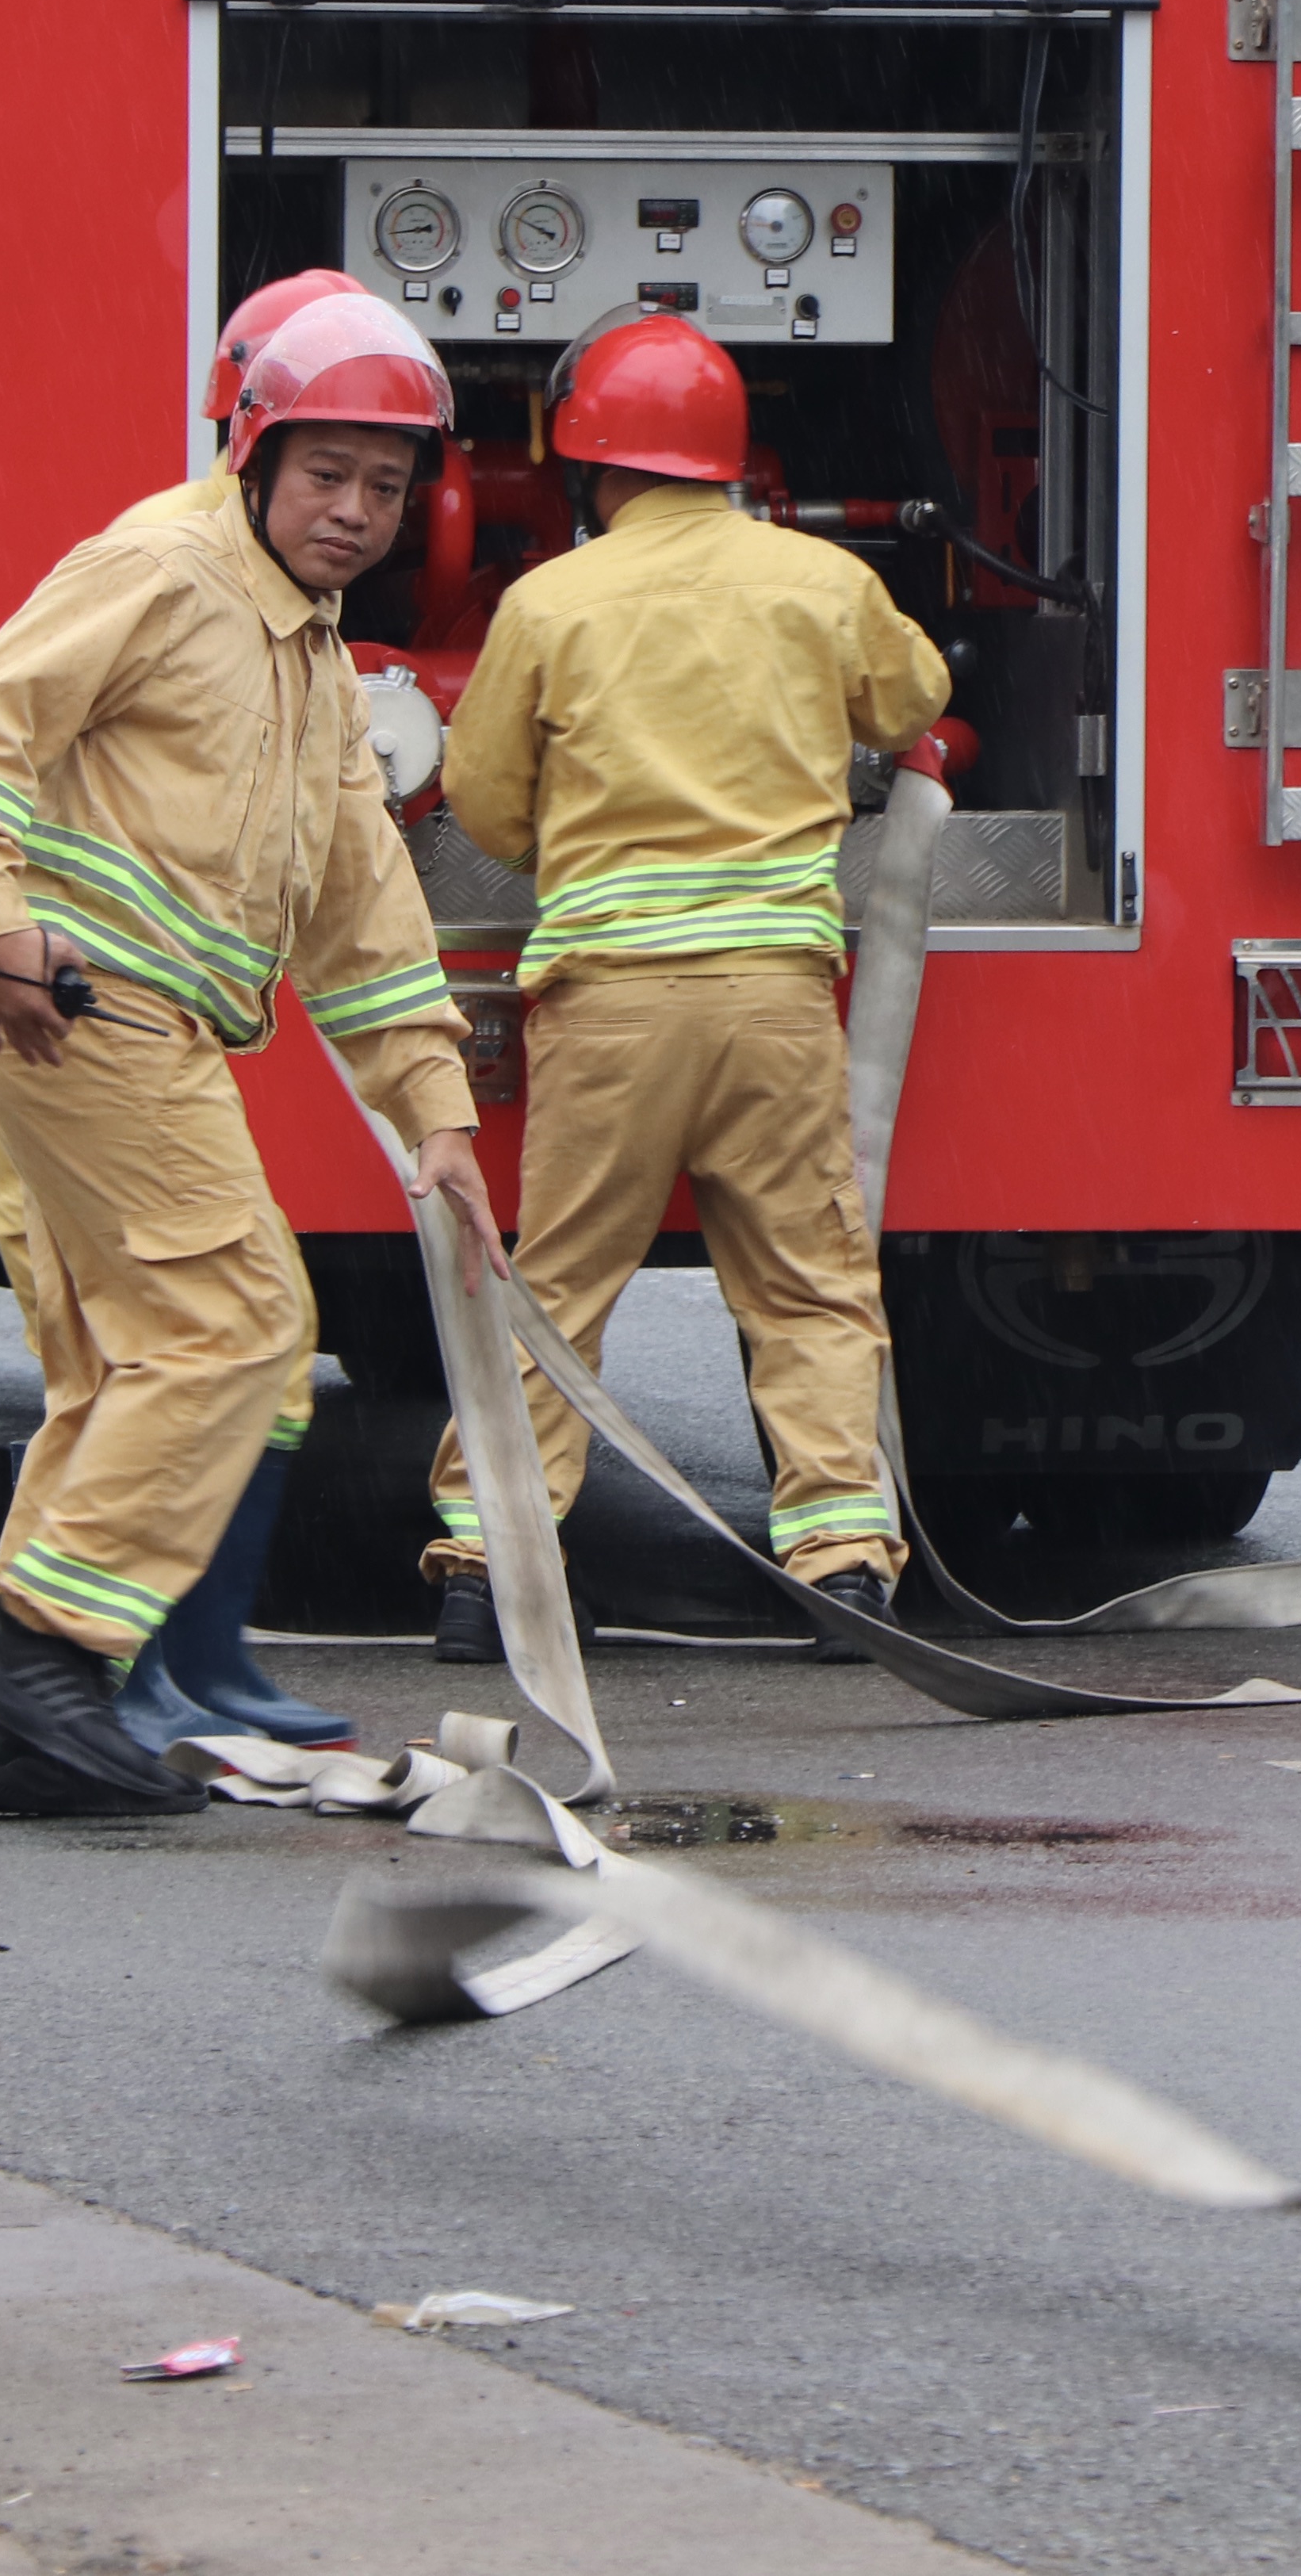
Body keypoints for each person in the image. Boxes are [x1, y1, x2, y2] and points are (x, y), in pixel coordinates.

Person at [0, 292, 488, 1816]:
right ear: (254, 454)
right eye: (327, 478)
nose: (355, 514)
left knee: (125, 1355)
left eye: (386, 487)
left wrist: (435, 1113)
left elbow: (362, 908)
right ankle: (48, 1648)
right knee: (234, 1320)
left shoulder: (307, 652)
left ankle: (21, 1734)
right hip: (72, 1005)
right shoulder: (160, 568)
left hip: (115, 1016)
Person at [417, 312, 950, 1655]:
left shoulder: (545, 604)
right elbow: (914, 701)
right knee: (805, 1280)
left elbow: (480, 798)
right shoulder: (818, 581)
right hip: (774, 999)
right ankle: (840, 1569)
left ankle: (488, 1566)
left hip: (607, 1002)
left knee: (555, 1283)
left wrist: (570, 841)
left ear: (589, 461)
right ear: (728, 459)